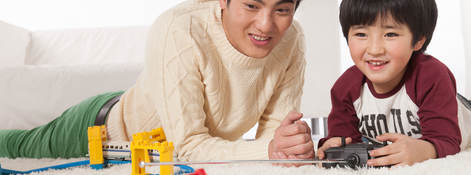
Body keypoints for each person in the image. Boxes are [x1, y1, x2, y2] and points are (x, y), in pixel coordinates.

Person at [0, 0, 315, 161]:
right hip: (99, 127)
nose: (266, 24)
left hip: (150, 110)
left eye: (282, 9)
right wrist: (270, 149)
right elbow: (189, 146)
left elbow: (276, 141)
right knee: (14, 145)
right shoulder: (181, 28)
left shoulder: (292, 39)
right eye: (251, 4)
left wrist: (286, 146)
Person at [316, 0, 471, 167]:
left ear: (418, 40)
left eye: (390, 34)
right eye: (361, 34)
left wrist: (424, 150)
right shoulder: (345, 88)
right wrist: (333, 145)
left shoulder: (431, 75)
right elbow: (343, 140)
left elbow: (447, 142)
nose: (374, 49)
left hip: (469, 122)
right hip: (435, 104)